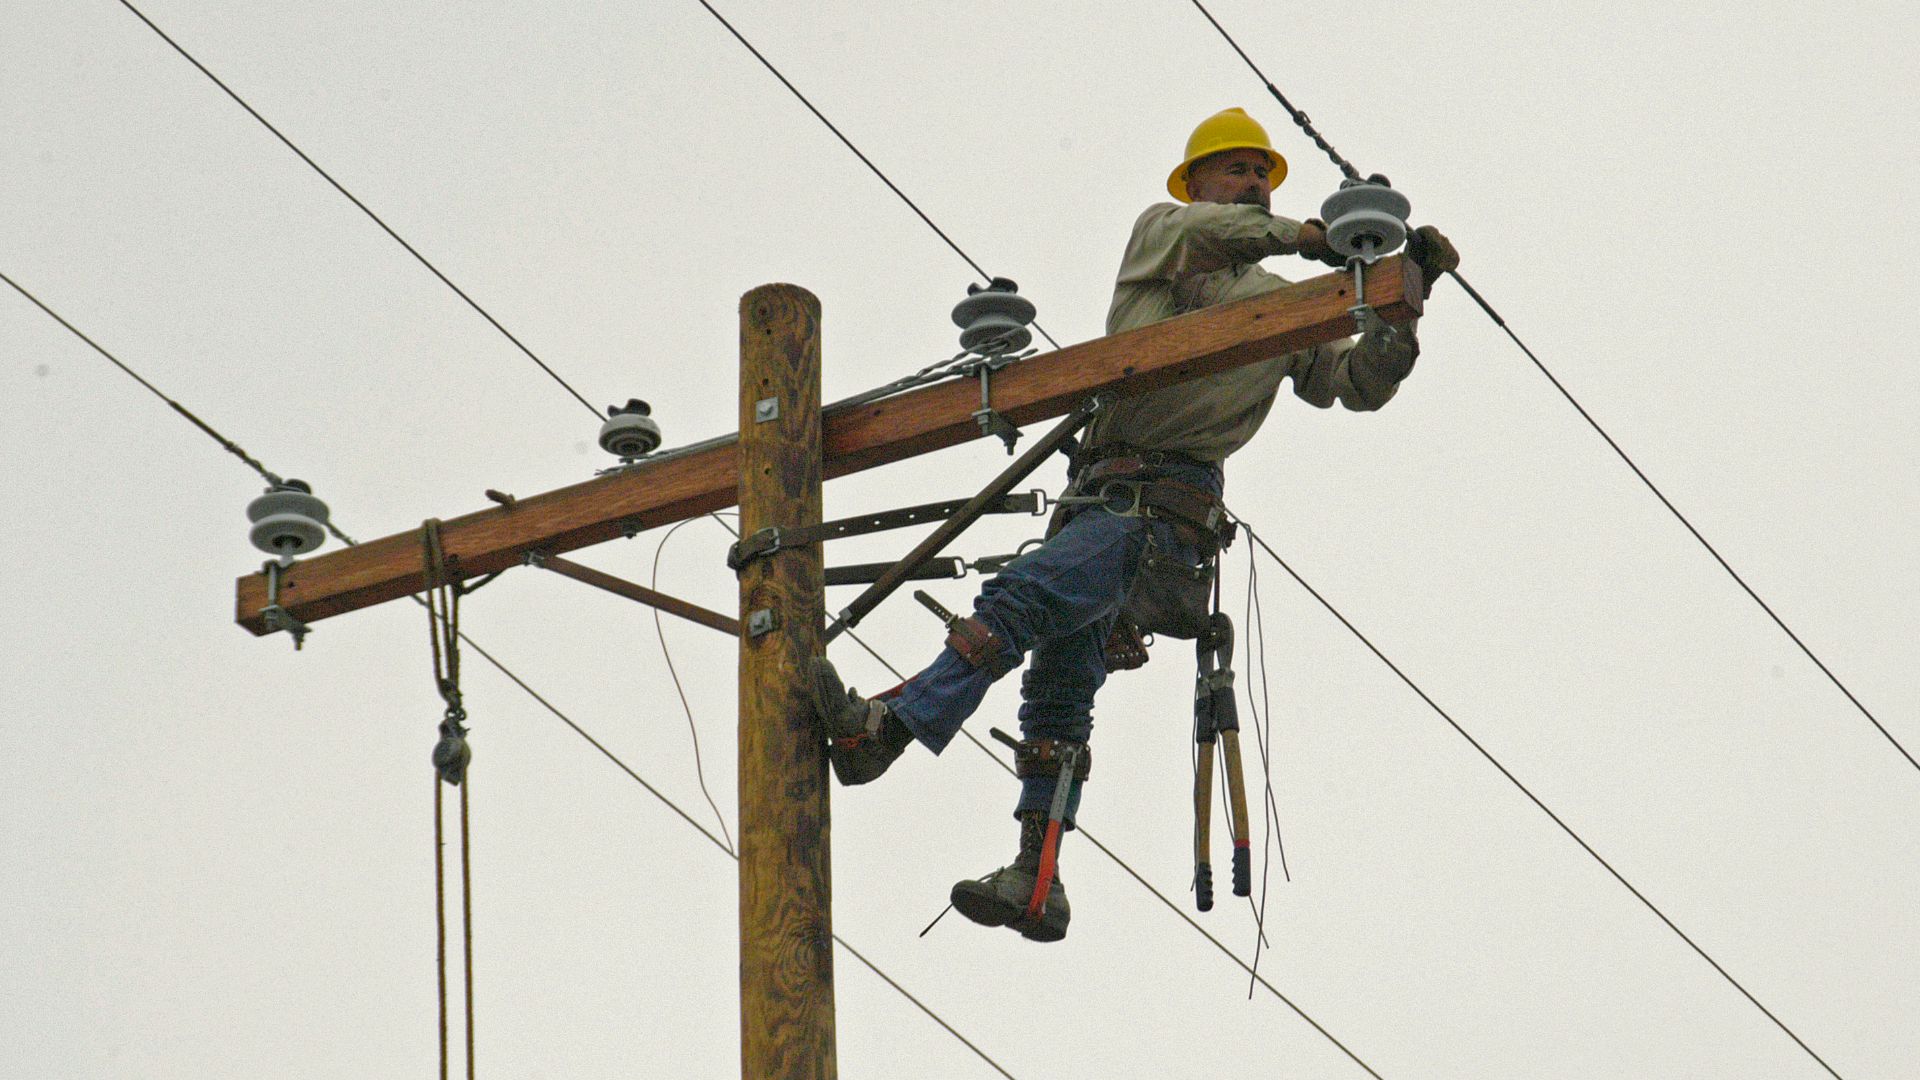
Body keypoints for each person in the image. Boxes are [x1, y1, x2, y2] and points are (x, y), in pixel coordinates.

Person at [810, 107, 1459, 941]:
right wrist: (1308, 236)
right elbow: (1217, 233)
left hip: (1162, 518)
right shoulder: (1164, 240)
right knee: (1055, 693)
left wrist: (1404, 309)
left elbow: (1353, 384)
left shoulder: (1293, 306)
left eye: (1261, 171)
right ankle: (1036, 878)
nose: (1252, 183)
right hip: (1103, 499)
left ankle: (888, 731)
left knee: (1018, 607)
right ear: (1196, 186)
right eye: (1235, 170)